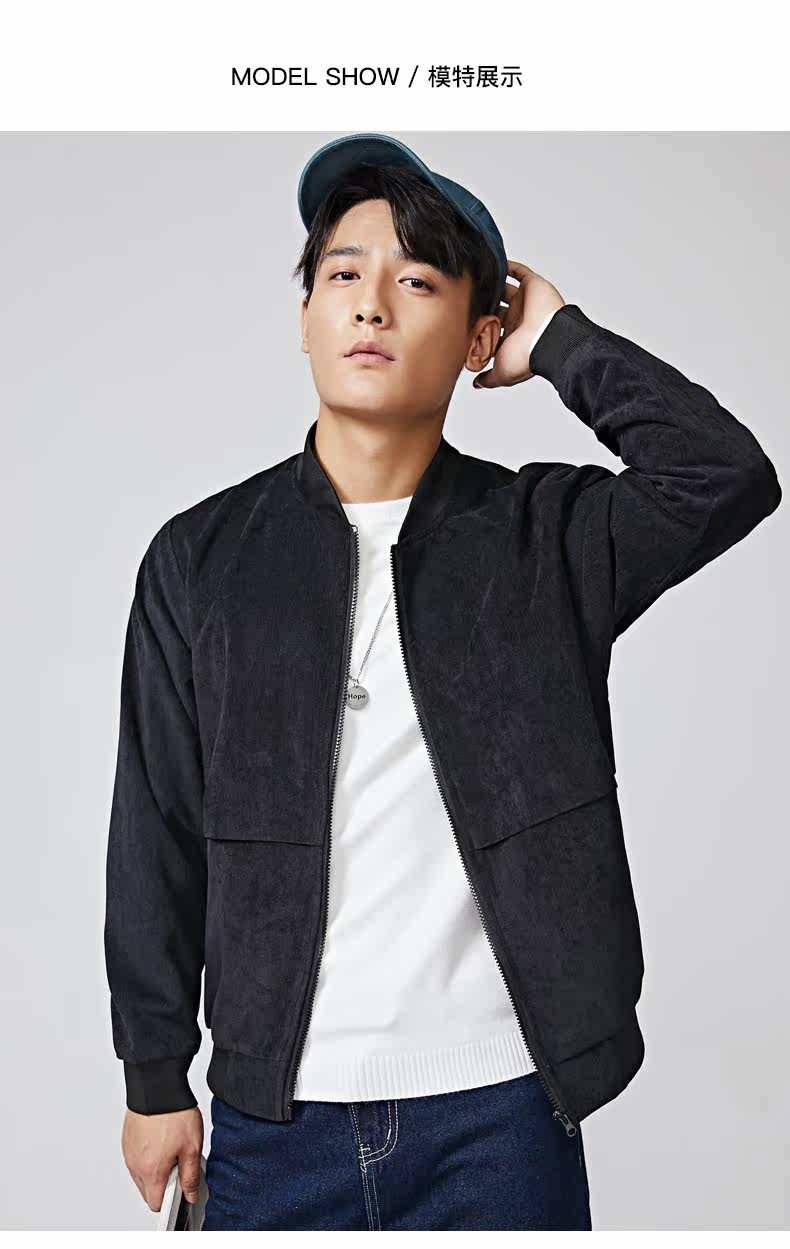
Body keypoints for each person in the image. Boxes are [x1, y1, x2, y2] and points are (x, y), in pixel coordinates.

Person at [104, 133, 781, 1231]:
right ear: (307, 315)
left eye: (417, 281)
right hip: (276, 1122)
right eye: (343, 274)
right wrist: (152, 1074)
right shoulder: (201, 559)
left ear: (478, 337)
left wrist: (560, 341)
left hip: (500, 1115)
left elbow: (725, 474)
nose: (371, 305)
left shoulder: (545, 537)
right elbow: (156, 825)